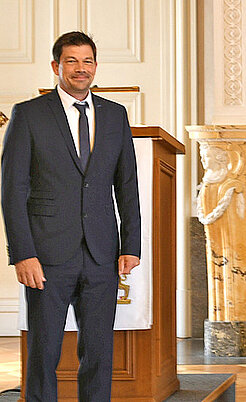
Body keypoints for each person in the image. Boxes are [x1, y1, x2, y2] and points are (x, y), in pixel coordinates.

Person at [1, 31, 142, 401]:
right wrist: (23, 254)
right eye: (72, 61)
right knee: (44, 353)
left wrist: (131, 245)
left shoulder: (115, 115)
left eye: (87, 61)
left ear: (95, 66)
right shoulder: (29, 114)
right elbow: (12, 190)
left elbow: (127, 185)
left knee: (98, 352)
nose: (81, 69)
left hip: (102, 254)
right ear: (56, 66)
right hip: (45, 255)